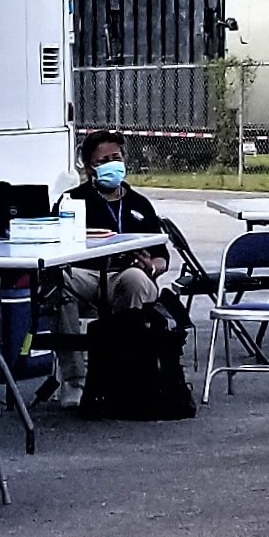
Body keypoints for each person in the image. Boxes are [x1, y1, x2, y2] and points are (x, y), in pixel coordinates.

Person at [57, 131, 170, 393]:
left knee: (136, 280)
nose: (111, 164)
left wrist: (151, 266)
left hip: (126, 275)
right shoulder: (72, 201)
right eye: (103, 160)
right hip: (86, 275)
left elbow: (162, 256)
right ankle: (74, 381)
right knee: (58, 283)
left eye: (115, 158)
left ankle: (126, 372)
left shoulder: (139, 204)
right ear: (89, 168)